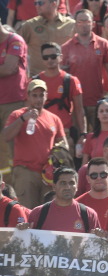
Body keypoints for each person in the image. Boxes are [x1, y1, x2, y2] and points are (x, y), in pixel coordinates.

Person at [2, 79, 67, 208]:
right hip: (25, 172)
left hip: (48, 174)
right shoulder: (17, 115)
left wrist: (57, 153)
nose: (38, 99)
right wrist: (23, 119)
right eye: (34, 95)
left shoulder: (54, 118)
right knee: (26, 213)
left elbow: (64, 143)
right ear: (28, 96)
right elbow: (5, 136)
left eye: (41, 95)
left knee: (47, 213)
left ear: (46, 96)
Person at [62, 9, 108, 128]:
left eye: (87, 21)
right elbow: (63, 78)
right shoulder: (66, 48)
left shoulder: (103, 44)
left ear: (93, 24)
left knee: (99, 138)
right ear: (75, 24)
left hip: (97, 101)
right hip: (75, 103)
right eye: (80, 22)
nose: (84, 25)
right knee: (79, 139)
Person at [35, 41, 85, 143]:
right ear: (42, 60)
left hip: (64, 133)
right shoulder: (35, 82)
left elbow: (79, 110)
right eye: (46, 57)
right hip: (41, 133)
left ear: (60, 57)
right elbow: (29, 109)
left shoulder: (71, 80)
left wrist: (83, 134)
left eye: (53, 56)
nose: (49, 60)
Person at [19, 0, 75, 75]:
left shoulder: (71, 25)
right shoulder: (29, 25)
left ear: (53, 4)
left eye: (40, 3)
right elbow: (16, 48)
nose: (37, 6)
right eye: (36, 3)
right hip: (38, 80)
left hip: (63, 78)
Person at [25, 167, 100, 233]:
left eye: (71, 183)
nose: (68, 187)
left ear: (77, 187)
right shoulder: (38, 213)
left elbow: (96, 244)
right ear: (54, 186)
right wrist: (22, 231)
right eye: (63, 183)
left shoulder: (89, 214)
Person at [0, 21, 28, 175]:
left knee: (13, 147)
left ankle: (15, 186)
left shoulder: (14, 40)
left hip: (13, 102)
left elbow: (9, 68)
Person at [76, 157, 108, 228]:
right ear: (88, 179)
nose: (99, 178)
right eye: (94, 175)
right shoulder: (77, 205)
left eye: (103, 174)